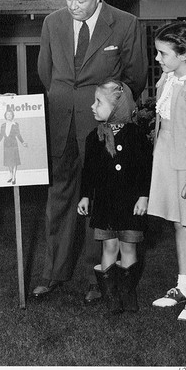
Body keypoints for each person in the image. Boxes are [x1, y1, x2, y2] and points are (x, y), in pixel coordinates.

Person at [33, 0, 148, 301]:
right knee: (59, 196)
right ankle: (54, 272)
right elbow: (45, 71)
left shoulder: (126, 24)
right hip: (60, 123)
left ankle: (96, 275)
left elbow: (135, 79)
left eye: (81, 0)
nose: (73, 7)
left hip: (101, 128)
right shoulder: (51, 23)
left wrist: (106, 110)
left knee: (100, 198)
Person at [148, 21, 186, 321]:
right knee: (178, 223)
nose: (158, 59)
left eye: (163, 53)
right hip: (167, 159)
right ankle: (183, 286)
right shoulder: (167, 80)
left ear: (184, 53)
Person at [77, 80, 152, 313]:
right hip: (106, 206)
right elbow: (87, 171)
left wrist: (143, 196)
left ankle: (127, 292)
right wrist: (85, 196)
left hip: (130, 206)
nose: (93, 106)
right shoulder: (94, 137)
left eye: (99, 102)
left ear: (118, 107)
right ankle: (111, 296)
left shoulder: (136, 136)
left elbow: (145, 169)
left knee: (128, 248)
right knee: (109, 247)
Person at [0, 109, 27, 185]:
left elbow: (18, 134)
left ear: (12, 116)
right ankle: (11, 175)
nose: (9, 116)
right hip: (6, 145)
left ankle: (14, 177)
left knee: (14, 162)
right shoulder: (3, 125)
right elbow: (1, 135)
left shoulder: (15, 124)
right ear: (5, 116)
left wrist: (23, 142)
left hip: (13, 144)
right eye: (7, 114)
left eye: (10, 114)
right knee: (8, 162)